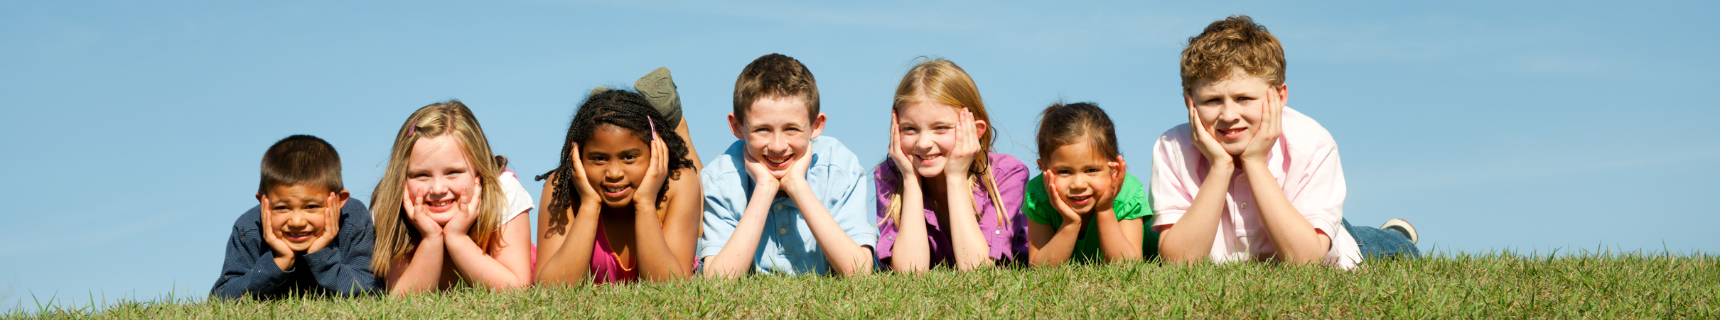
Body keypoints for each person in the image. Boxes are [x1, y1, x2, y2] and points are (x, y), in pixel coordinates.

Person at [1151, 15, 1419, 270]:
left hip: (1321, 236)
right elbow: (1180, 263)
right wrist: (1220, 166)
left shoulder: (1311, 142)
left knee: (1377, 244)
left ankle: (1395, 234)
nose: (1229, 116)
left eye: (1244, 98)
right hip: (1299, 223)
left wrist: (1254, 162)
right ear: (1190, 103)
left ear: (1279, 97)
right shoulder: (1171, 148)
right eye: (1212, 101)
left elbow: (1305, 262)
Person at [698, 53, 876, 277]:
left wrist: (797, 186)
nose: (777, 146)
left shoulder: (840, 167)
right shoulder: (720, 178)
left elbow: (858, 272)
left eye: (791, 129)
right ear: (737, 127)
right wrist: (764, 187)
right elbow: (719, 281)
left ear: (816, 125)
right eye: (762, 129)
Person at [874, 58, 1029, 272]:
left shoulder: (1007, 173)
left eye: (940, 128)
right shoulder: (890, 174)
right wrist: (910, 180)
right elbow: (910, 272)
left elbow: (977, 269)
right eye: (910, 129)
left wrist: (955, 177)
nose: (924, 143)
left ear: (975, 130)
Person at [534, 89, 702, 284]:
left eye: (629, 157)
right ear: (578, 157)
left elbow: (670, 287)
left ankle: (678, 126)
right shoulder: (561, 189)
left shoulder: (679, 182)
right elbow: (550, 289)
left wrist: (646, 203)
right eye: (599, 159)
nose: (614, 173)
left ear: (654, 151)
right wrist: (589, 205)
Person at [370, 101, 536, 294]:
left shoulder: (502, 191)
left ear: (478, 170)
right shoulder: (390, 205)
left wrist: (457, 238)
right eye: (421, 175)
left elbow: (516, 289)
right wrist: (431, 239)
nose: (438, 189)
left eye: (453, 172)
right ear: (402, 178)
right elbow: (401, 301)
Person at [212, 135, 378, 299]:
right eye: (282, 208)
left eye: (311, 207)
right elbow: (220, 297)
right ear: (264, 203)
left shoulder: (353, 220)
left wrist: (321, 256)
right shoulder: (248, 228)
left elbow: (373, 290)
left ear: (339, 201)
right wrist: (278, 262)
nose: (296, 222)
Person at [1023, 103, 1155, 267]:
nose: (1078, 184)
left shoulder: (1128, 192)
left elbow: (1128, 268)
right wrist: (1070, 224)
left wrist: (1105, 210)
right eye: (1064, 171)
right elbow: (1039, 270)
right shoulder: (1038, 194)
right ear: (1043, 169)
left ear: (1114, 167)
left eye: (1091, 170)